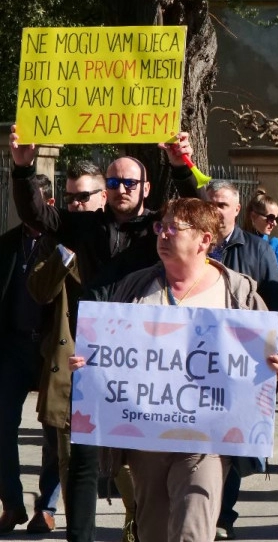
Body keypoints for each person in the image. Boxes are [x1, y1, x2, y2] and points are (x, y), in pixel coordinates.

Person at [9, 125, 196, 542]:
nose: (121, 188)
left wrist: (181, 166)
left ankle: (144, 529)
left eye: (130, 182)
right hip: (93, 355)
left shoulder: (159, 229)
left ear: (145, 189)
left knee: (147, 457)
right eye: (113, 182)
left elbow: (197, 213)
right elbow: (39, 216)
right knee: (84, 458)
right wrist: (22, 170)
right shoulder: (86, 227)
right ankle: (81, 537)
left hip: (150, 356)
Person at [69, 198, 278, 542]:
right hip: (147, 440)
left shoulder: (238, 292)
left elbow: (261, 361)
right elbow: (109, 354)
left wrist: (273, 370)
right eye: (161, 226)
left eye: (174, 228)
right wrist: (89, 365)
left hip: (207, 442)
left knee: (192, 529)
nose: (163, 234)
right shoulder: (134, 289)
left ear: (204, 239)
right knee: (153, 531)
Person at [202, 179, 278, 541]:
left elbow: (277, 308)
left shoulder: (257, 250)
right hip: (198, 360)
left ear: (237, 210)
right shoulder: (192, 246)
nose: (216, 210)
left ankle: (223, 514)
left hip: (241, 364)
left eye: (222, 204)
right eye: (210, 203)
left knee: (231, 440)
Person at [0, 175, 61, 535]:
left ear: (47, 205)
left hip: (51, 348)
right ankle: (11, 502)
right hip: (13, 347)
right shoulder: (7, 245)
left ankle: (46, 506)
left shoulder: (65, 246)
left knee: (53, 431)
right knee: (3, 425)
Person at [243, 189, 278, 270]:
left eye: (277, 219)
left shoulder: (276, 245)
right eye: (270, 218)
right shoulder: (236, 242)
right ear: (253, 216)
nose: (274, 223)